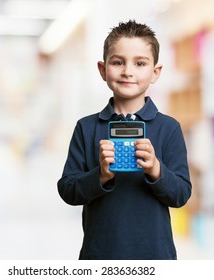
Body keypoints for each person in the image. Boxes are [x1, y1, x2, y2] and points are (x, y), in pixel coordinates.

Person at [57, 20, 192, 260]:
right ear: (102, 69)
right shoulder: (86, 128)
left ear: (155, 72)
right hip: (100, 255)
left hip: (155, 257)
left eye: (140, 63)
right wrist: (101, 175)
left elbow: (181, 194)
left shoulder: (169, 128)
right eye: (118, 62)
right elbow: (68, 190)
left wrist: (156, 169)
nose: (128, 71)